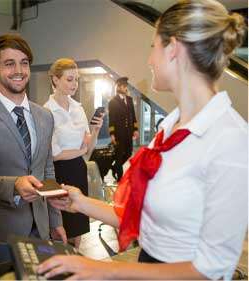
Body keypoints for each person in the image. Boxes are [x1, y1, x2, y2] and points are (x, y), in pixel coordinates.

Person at [37, 0, 247, 279]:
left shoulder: (229, 139)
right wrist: (81, 202)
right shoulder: (170, 128)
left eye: (153, 48)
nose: (149, 59)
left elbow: (210, 270)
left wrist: (104, 269)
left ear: (173, 49)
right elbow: (147, 219)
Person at [0, 34, 66, 243]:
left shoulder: (45, 116)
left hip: (40, 227)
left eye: (24, 63)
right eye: (9, 64)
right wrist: (14, 185)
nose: (19, 71)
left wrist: (55, 221)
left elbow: (47, 169)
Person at [44, 58, 103, 248]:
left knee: (78, 226)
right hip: (59, 172)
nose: (74, 84)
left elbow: (88, 149)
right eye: (69, 79)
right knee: (63, 227)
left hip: (78, 168)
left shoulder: (78, 109)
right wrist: (82, 150)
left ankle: (76, 259)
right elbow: (55, 154)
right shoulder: (47, 111)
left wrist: (95, 131)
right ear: (55, 80)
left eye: (76, 80)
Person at [108, 76, 139, 181]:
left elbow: (133, 116)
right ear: (119, 87)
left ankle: (115, 167)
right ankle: (120, 178)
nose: (126, 88)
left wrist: (135, 129)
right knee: (119, 155)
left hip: (129, 132)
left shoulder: (129, 100)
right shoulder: (113, 102)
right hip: (118, 133)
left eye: (126, 86)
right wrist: (112, 134)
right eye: (124, 86)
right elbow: (111, 119)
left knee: (129, 153)